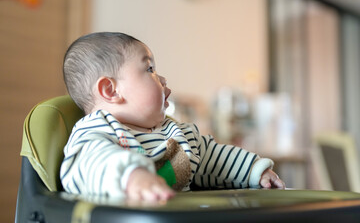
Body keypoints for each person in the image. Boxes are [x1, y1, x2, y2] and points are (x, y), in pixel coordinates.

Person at [60, 32, 285, 202]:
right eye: (149, 70)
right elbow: (93, 162)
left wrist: (255, 170)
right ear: (111, 90)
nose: (163, 79)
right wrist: (132, 177)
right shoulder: (96, 130)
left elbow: (213, 158)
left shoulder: (177, 133)